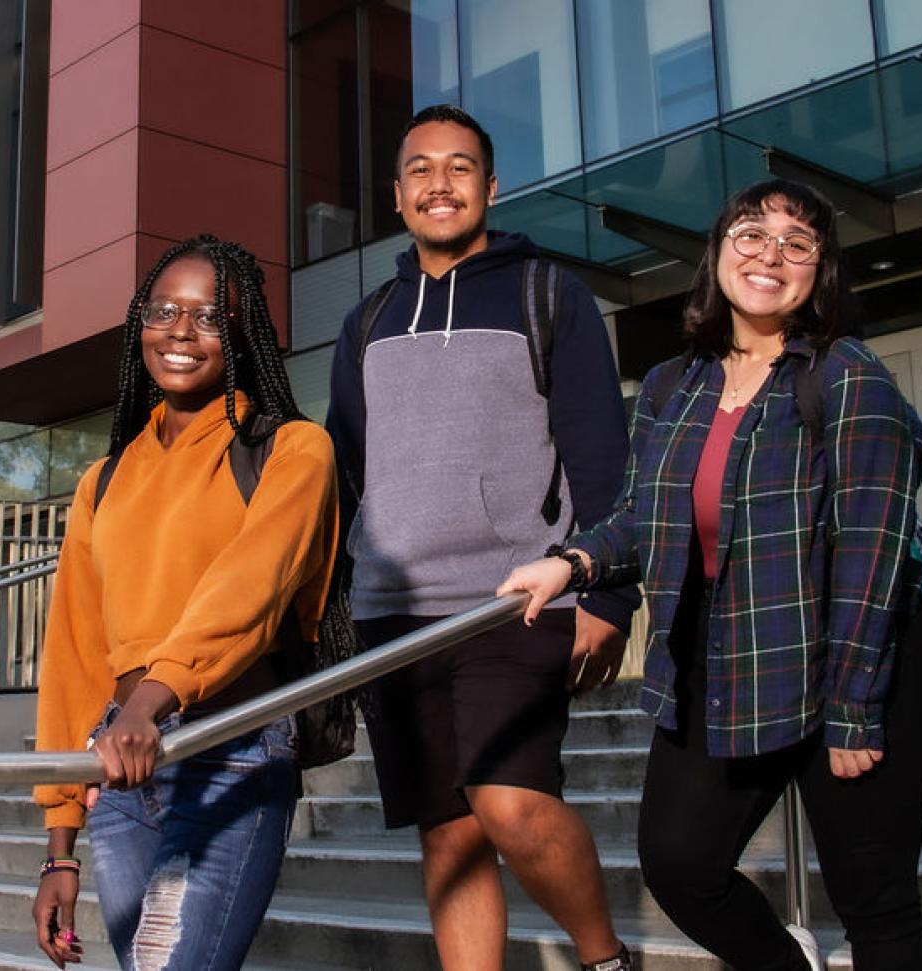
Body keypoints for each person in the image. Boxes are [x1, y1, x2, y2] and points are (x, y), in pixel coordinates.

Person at [499, 179, 922, 971]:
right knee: (681, 864)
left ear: (820, 271)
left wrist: (852, 710)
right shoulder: (675, 384)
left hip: (857, 655)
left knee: (875, 901)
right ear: (718, 253)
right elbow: (642, 515)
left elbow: (874, 554)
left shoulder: (848, 376)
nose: (769, 254)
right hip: (731, 654)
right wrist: (569, 562)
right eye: (750, 233)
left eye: (796, 242)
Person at [326, 104, 638, 971]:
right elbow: (345, 475)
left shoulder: (549, 294)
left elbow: (602, 457)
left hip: (515, 602)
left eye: (460, 167)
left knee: (511, 804)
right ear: (397, 196)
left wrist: (609, 595)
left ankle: (604, 959)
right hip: (394, 614)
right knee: (450, 836)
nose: (440, 182)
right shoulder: (370, 320)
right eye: (421, 168)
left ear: (491, 188)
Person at [30, 235, 344, 970]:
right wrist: (58, 845)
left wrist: (151, 704)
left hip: (231, 744)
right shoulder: (101, 481)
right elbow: (74, 656)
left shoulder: (293, 450)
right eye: (163, 309)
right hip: (120, 764)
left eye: (207, 316)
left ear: (239, 334)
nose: (179, 329)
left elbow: (249, 591)